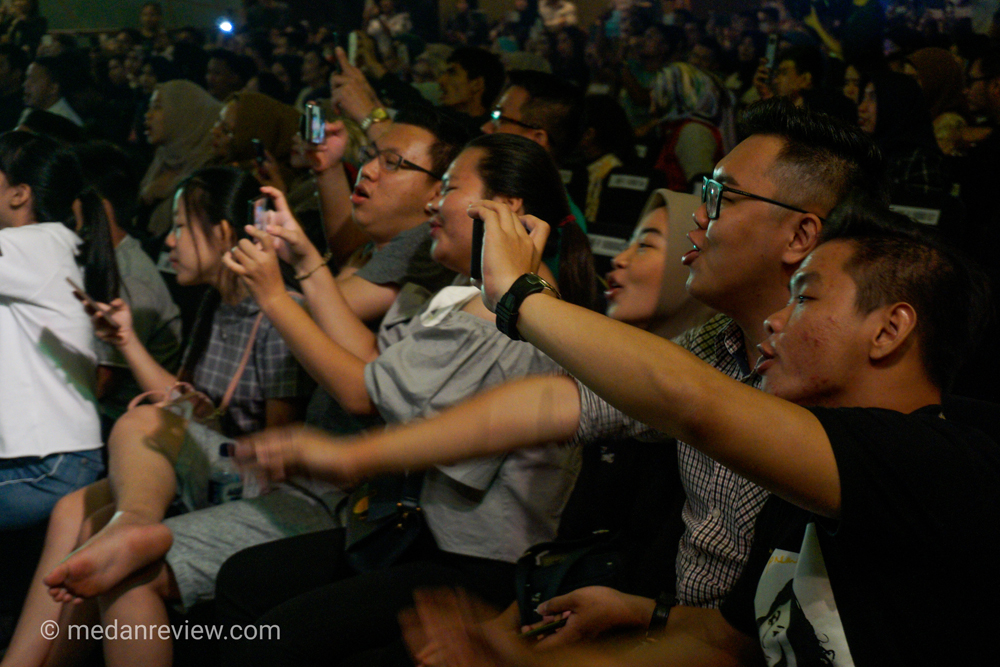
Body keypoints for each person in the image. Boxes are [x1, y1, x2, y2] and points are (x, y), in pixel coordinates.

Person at [234, 99, 887, 639]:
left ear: (801, 237)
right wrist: (355, 459)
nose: (701, 214)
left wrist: (518, 293)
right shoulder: (712, 340)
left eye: (718, 193)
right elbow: (549, 404)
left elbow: (691, 404)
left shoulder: (848, 389)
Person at [399, 199, 998, 667]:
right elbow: (719, 645)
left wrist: (519, 295)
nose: (775, 320)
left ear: (889, 329)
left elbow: (693, 402)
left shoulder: (942, 462)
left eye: (806, 298)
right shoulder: (800, 493)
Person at [214, 133, 598, 667]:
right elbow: (376, 371)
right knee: (245, 579)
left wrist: (275, 297)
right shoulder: (474, 292)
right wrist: (304, 261)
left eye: (448, 188)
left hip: (471, 561)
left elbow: (360, 393)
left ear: (506, 207)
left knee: (271, 633)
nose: (432, 204)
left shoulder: (505, 313)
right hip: (415, 532)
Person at [3, 167, 315, 667]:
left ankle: (135, 525)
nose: (167, 239)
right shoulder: (218, 303)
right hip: (217, 463)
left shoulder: (281, 312)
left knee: (139, 430)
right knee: (76, 512)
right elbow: (187, 401)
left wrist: (186, 421)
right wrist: (127, 343)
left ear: (223, 234)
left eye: (181, 226)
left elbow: (278, 444)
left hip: (259, 484)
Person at [0, 130, 117, 533]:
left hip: (49, 464)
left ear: (19, 194)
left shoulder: (35, 244)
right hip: (51, 459)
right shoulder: (39, 246)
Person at [138, 79, 220, 239]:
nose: (148, 116)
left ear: (184, 113)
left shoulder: (207, 172)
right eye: (149, 107)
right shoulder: (162, 160)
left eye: (157, 107)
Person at [20, 55, 82, 128]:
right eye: (27, 78)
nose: (25, 85)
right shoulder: (30, 112)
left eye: (33, 80)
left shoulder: (65, 124)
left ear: (53, 88)